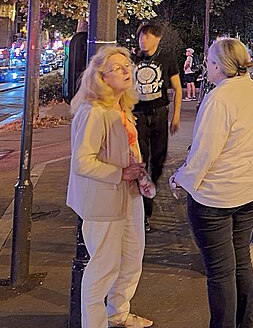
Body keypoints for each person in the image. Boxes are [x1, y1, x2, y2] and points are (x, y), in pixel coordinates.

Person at [169, 37, 253, 328]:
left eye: (210, 62)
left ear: (221, 67)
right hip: (250, 191)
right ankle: (244, 323)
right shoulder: (252, 89)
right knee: (241, 263)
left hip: (216, 198)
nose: (207, 67)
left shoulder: (218, 99)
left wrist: (180, 179)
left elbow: (204, 153)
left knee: (221, 272)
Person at [66, 46, 153, 328]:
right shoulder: (94, 112)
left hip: (129, 194)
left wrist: (139, 174)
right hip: (103, 200)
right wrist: (120, 173)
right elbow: (82, 162)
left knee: (131, 259)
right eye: (117, 68)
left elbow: (128, 150)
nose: (126, 70)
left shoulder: (122, 107)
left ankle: (118, 314)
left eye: (126, 65)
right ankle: (94, 324)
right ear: (101, 77)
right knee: (103, 267)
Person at [132, 19, 183, 231]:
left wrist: (176, 116)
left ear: (158, 38)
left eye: (148, 36)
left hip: (160, 114)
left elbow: (177, 88)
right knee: (141, 159)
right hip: (138, 115)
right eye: (141, 36)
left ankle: (150, 187)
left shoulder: (167, 58)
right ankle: (143, 210)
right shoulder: (132, 58)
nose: (143, 40)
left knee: (159, 161)